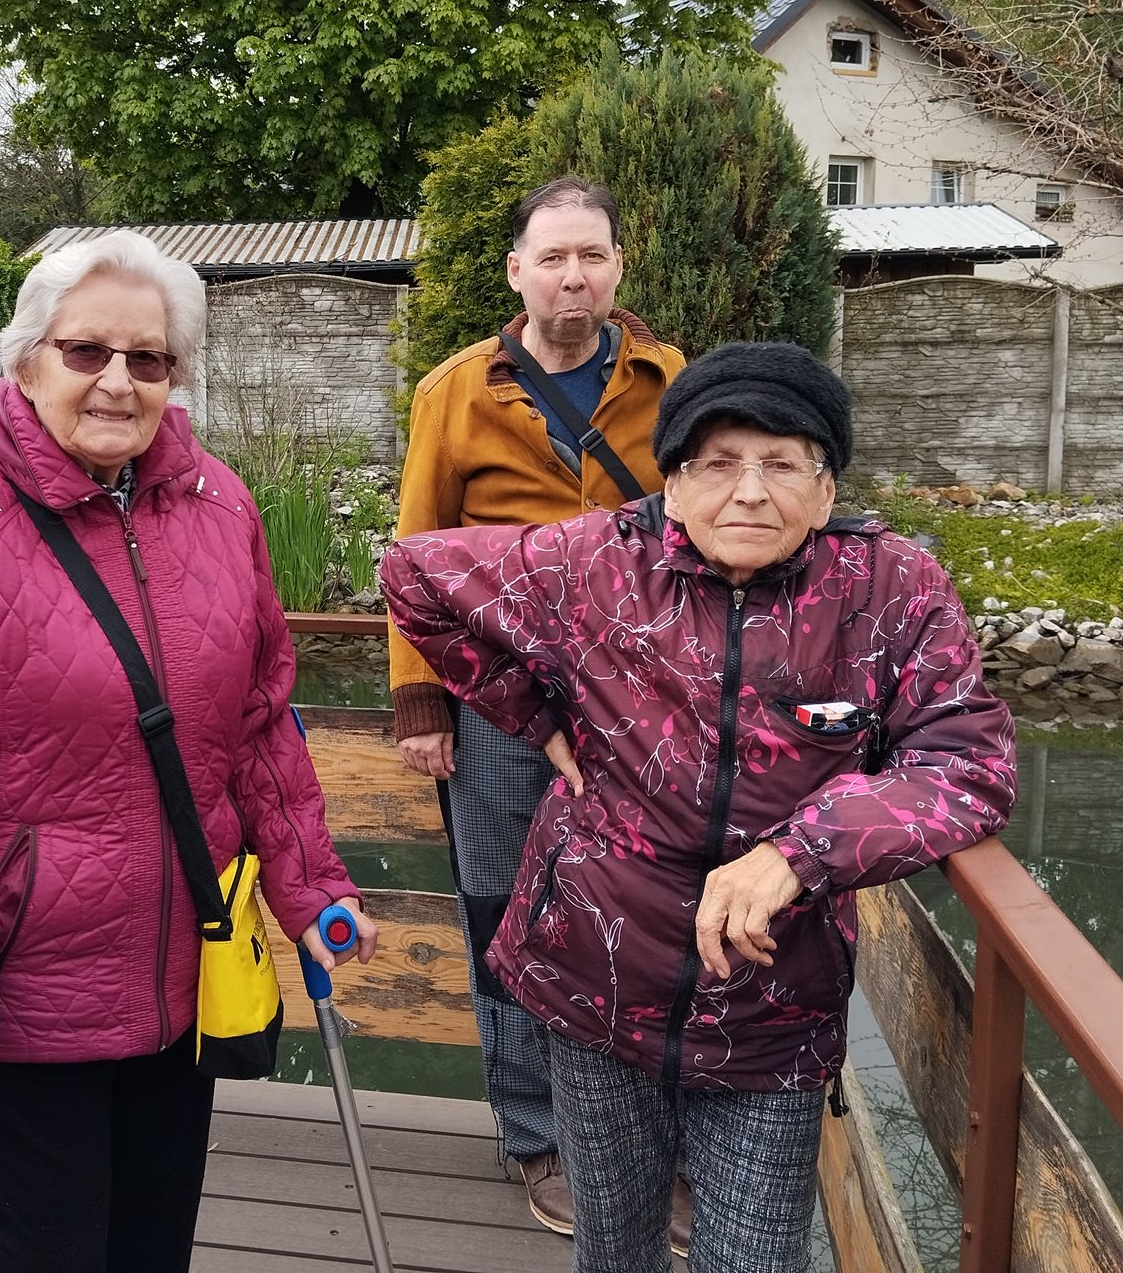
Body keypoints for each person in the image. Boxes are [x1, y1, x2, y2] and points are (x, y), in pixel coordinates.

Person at [383, 342, 1018, 1273]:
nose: (750, 492)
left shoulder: (892, 591)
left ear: (826, 492)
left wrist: (801, 853)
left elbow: (966, 763)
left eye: (782, 464)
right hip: (592, 982)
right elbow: (414, 573)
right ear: (673, 485)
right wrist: (533, 713)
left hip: (772, 1008)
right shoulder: (594, 561)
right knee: (615, 1252)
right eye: (718, 463)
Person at [0, 229, 376, 1273]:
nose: (119, 382)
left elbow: (260, 721)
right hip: (20, 999)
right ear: (27, 358)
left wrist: (309, 889)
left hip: (185, 975)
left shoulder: (222, 505)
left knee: (152, 1253)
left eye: (150, 359)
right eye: (88, 352)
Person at [390, 174, 685, 1235]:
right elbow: (414, 551)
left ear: (617, 268)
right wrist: (420, 700)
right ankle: (537, 1136)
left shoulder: (671, 382)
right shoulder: (455, 392)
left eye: (591, 256)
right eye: (552, 257)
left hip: (639, 701)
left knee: (647, 916)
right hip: (497, 699)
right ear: (516, 271)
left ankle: (645, 1141)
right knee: (503, 913)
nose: (573, 276)